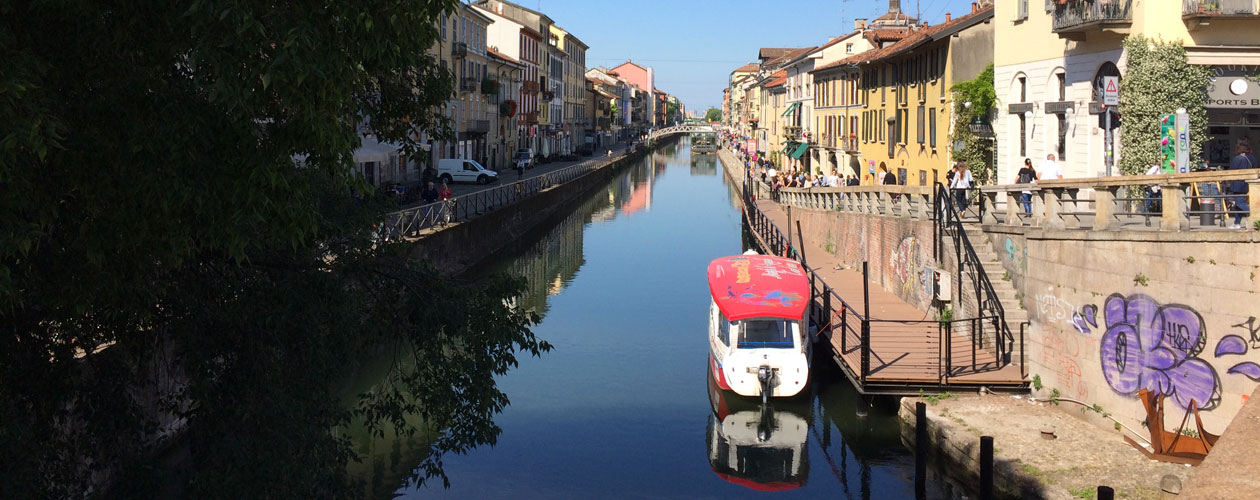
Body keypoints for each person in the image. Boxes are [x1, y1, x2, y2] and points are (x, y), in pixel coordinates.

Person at [1226, 138, 1257, 228]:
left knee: (1239, 203)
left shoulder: (1237, 159)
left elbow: (1231, 171)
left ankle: (1256, 213)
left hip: (1238, 184)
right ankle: (1237, 222)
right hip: (1248, 184)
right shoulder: (1252, 158)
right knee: (1238, 204)